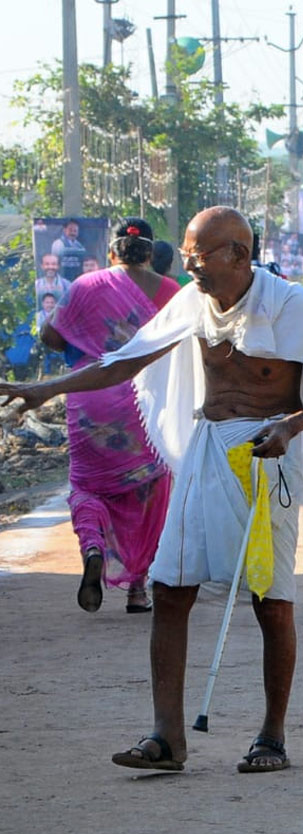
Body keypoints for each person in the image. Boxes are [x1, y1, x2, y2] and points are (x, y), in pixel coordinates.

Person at [1, 206, 303, 774]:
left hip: (266, 457)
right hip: (208, 448)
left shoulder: (288, 304)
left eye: (199, 255)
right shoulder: (193, 300)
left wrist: (289, 428)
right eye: (186, 255)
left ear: (238, 254)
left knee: (270, 597)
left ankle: (272, 736)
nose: (189, 266)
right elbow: (124, 361)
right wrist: (46, 389)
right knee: (170, 587)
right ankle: (167, 738)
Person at [35, 218, 178, 613]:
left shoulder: (85, 285)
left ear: (111, 252)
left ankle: (93, 546)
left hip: (89, 399)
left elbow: (50, 335)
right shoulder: (170, 291)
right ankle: (137, 588)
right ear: (150, 254)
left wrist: (83, 337)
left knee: (86, 486)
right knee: (149, 491)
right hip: (145, 406)